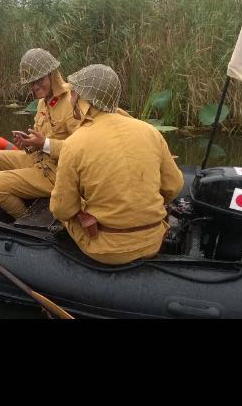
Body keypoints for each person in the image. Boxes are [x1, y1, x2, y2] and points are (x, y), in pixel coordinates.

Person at [49, 64, 185, 265]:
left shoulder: (74, 143)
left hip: (107, 250)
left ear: (83, 100)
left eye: (73, 93)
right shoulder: (150, 131)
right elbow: (174, 186)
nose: (71, 98)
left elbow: (63, 210)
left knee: (62, 209)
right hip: (154, 241)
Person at [0, 48, 82, 219]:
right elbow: (39, 139)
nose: (35, 87)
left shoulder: (71, 101)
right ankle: (29, 200)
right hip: (40, 160)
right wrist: (28, 143)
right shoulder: (42, 103)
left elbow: (82, 151)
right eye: (31, 83)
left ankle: (25, 221)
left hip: (59, 173)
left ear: (52, 75)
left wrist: (44, 144)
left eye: (39, 80)